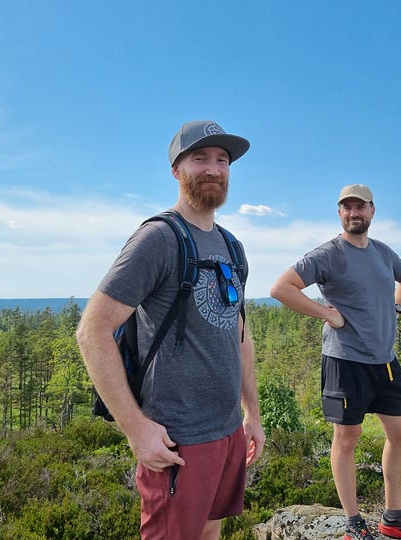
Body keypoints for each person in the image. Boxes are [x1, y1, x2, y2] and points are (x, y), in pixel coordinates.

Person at [77, 120, 265, 540]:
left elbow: (238, 331)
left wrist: (251, 413)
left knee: (210, 531)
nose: (213, 169)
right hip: (177, 442)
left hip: (227, 431)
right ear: (176, 170)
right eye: (200, 158)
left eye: (222, 160)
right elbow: (92, 331)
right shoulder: (158, 240)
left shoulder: (232, 246)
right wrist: (136, 429)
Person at [270, 184, 401, 540]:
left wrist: (398, 304)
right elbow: (281, 288)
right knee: (347, 438)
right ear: (339, 213)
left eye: (360, 206)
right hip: (345, 361)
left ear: (372, 211)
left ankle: (393, 518)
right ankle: (353, 523)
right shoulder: (327, 254)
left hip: (385, 361)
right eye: (347, 207)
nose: (353, 213)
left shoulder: (382, 252)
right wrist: (327, 314)